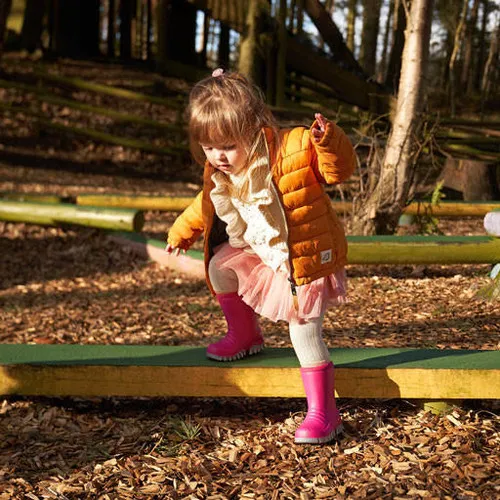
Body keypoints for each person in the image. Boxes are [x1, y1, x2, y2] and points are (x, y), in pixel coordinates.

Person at [166, 68, 356, 444]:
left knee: (303, 331)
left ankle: (324, 412)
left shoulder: (295, 148)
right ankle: (245, 334)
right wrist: (181, 231)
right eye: (208, 147)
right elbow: (204, 205)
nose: (218, 156)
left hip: (304, 258)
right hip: (264, 253)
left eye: (227, 145)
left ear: (254, 127)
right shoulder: (222, 169)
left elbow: (339, 171)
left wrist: (328, 141)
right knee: (220, 267)